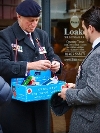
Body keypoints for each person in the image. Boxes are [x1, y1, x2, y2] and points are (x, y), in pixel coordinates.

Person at [0, 0, 62, 133]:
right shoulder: (6, 36)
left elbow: (52, 55)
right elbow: (2, 65)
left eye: (36, 20)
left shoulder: (42, 35)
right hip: (16, 105)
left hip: (40, 102)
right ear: (19, 16)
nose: (34, 24)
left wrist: (56, 64)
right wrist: (29, 66)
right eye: (30, 20)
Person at [58, 6, 100, 133]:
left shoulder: (97, 54)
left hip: (89, 123)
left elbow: (94, 93)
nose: (83, 33)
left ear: (91, 28)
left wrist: (68, 94)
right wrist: (77, 86)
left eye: (83, 29)